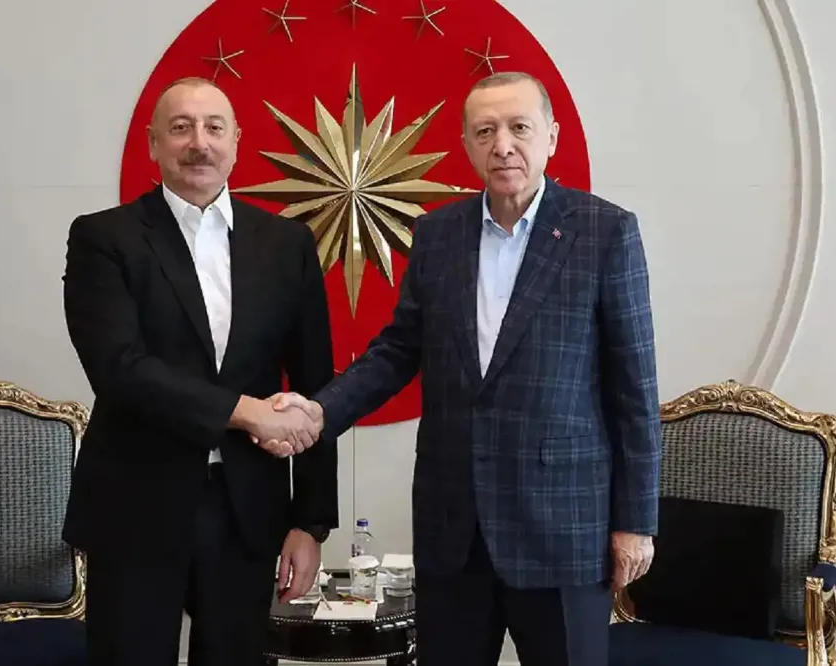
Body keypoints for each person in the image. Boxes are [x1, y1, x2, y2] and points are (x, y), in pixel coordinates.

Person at [268, 71, 661, 666]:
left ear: (551, 137)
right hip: (454, 528)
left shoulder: (605, 232)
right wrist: (319, 412)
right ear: (467, 146)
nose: (503, 145)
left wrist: (636, 521)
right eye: (485, 131)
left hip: (562, 529)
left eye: (519, 128)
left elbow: (635, 391)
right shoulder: (437, 235)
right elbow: (398, 350)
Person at [61, 76, 337, 666]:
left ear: (237, 141)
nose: (198, 143)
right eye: (181, 128)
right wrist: (246, 412)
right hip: (136, 504)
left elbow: (315, 385)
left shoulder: (287, 243)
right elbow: (118, 368)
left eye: (214, 128)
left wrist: (310, 523)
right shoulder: (103, 238)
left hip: (247, 509)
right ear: (153, 143)